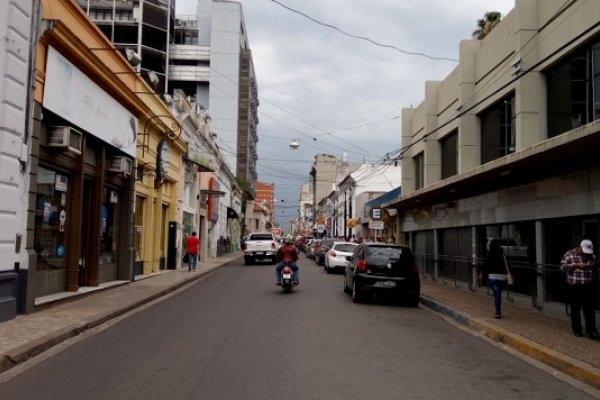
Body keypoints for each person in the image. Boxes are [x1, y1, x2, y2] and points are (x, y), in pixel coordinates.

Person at [560, 239, 599, 340]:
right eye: (584, 250)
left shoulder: (592, 256)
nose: (586, 253)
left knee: (589, 309)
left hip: (587, 285)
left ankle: (591, 331)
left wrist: (593, 266)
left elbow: (595, 268)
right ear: (579, 247)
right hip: (574, 286)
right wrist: (575, 265)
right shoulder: (569, 254)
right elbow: (562, 267)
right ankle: (577, 330)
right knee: (575, 309)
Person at [479, 239, 508, 319]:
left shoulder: (490, 255)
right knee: (498, 294)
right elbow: (507, 265)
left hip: (493, 277)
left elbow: (485, 265)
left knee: (496, 295)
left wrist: (481, 274)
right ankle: (498, 310)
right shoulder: (503, 255)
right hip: (502, 277)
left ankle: (498, 312)